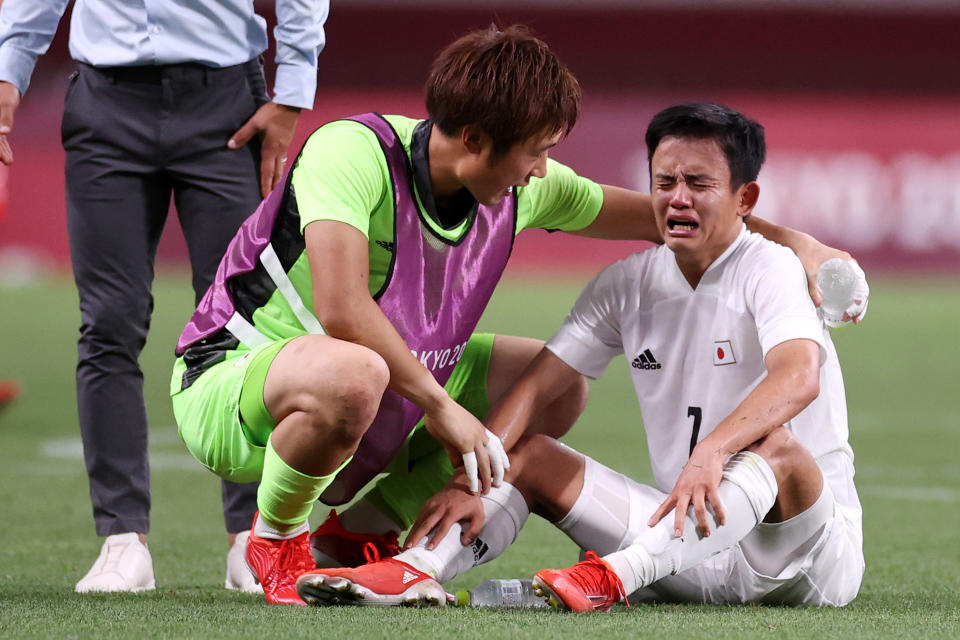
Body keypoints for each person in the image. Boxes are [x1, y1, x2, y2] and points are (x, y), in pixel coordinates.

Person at [171, 27, 863, 607]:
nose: (542, 170)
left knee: (553, 387)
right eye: (536, 151)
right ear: (475, 140)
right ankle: (275, 537)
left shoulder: (520, 187)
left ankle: (363, 533)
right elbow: (342, 309)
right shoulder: (352, 152)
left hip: (380, 388)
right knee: (357, 371)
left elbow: (672, 217)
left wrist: (799, 244)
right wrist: (444, 411)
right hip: (235, 384)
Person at [0, 0, 329, 594]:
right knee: (108, 321)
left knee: (242, 324)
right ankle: (123, 540)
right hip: (106, 100)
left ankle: (252, 538)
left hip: (226, 98)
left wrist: (294, 86)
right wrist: (8, 68)